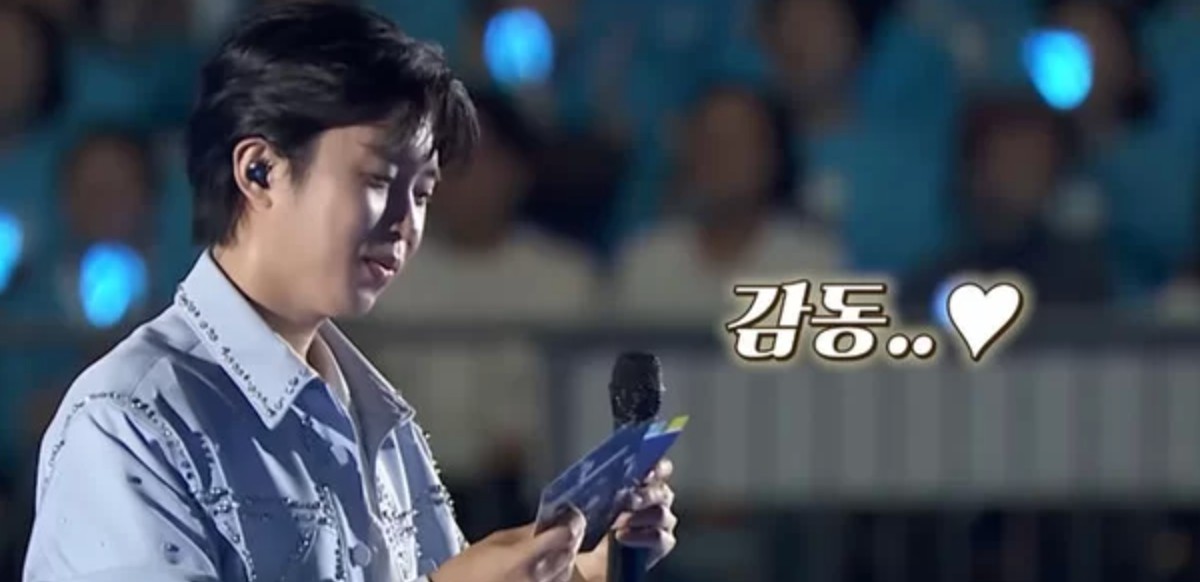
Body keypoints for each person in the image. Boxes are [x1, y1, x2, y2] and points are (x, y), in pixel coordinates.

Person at [22, 3, 678, 582]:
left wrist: (580, 572)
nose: (405, 222)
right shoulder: (131, 417)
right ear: (260, 170)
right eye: (378, 180)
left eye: (423, 192)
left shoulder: (378, 420)